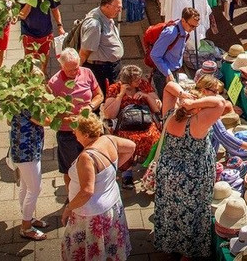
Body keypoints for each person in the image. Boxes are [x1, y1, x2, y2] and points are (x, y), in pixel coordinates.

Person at [152, 82, 226, 259]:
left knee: (170, 209)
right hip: (193, 176)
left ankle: (169, 245)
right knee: (192, 212)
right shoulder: (198, 122)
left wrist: (183, 95)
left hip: (168, 171)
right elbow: (220, 103)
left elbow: (169, 85)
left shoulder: (169, 115)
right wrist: (194, 103)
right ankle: (188, 253)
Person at [60, 114, 135, 261]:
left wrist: (68, 208)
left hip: (90, 214)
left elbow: (87, 191)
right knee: (108, 248)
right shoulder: (109, 139)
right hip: (111, 206)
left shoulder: (87, 157)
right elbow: (131, 147)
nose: (74, 133)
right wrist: (113, 170)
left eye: (76, 131)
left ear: (86, 134)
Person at [49, 48, 104, 186]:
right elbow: (50, 114)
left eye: (76, 68)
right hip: (68, 133)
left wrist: (90, 106)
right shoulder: (54, 83)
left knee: (94, 164)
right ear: (61, 66)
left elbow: (99, 95)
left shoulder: (87, 73)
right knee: (70, 169)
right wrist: (68, 119)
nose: (74, 73)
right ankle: (71, 197)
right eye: (70, 70)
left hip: (89, 128)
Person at [102, 65, 162, 187]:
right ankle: (127, 173)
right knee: (127, 139)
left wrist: (146, 96)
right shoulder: (115, 88)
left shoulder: (143, 85)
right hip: (125, 125)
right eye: (137, 79)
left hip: (144, 121)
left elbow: (156, 108)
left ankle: (150, 167)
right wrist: (120, 95)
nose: (140, 81)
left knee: (154, 136)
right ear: (128, 81)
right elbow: (109, 114)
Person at [9, 69, 48, 241]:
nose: (42, 85)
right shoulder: (29, 101)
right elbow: (44, 120)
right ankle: (26, 227)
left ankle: (28, 216)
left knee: (25, 186)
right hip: (27, 150)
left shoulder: (17, 95)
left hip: (23, 147)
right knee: (35, 188)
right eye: (39, 82)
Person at [148, 7, 202, 99]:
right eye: (191, 26)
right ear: (183, 20)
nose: (193, 29)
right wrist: (168, 74)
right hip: (163, 75)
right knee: (167, 104)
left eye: (195, 27)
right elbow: (155, 55)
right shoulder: (170, 33)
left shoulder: (184, 31)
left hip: (172, 72)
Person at [77, 0, 125, 94]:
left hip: (110, 67)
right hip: (102, 70)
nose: (120, 10)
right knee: (106, 97)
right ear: (107, 6)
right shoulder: (95, 25)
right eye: (118, 7)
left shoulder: (104, 15)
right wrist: (77, 72)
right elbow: (85, 51)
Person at [17, 0, 65, 72]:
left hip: (45, 30)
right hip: (28, 32)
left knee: (44, 54)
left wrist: (60, 26)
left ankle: (43, 74)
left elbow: (55, 10)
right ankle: (30, 77)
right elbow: (23, 15)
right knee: (29, 57)